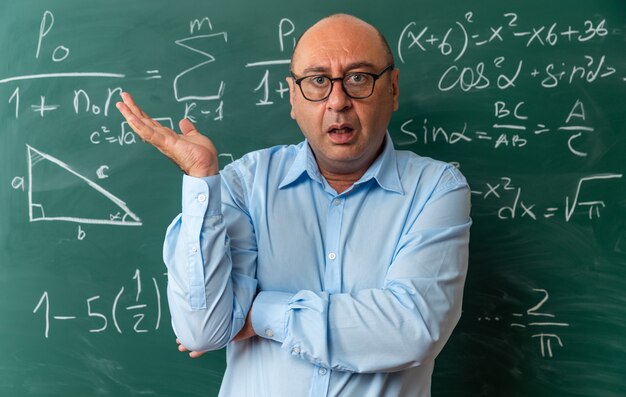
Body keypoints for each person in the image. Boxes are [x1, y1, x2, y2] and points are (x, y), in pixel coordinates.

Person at [117, 13, 470, 397]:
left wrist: (262, 312)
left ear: (393, 89)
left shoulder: (436, 188)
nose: (338, 101)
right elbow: (203, 329)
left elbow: (412, 329)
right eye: (318, 81)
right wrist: (202, 179)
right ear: (293, 96)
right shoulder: (246, 184)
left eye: (358, 78)